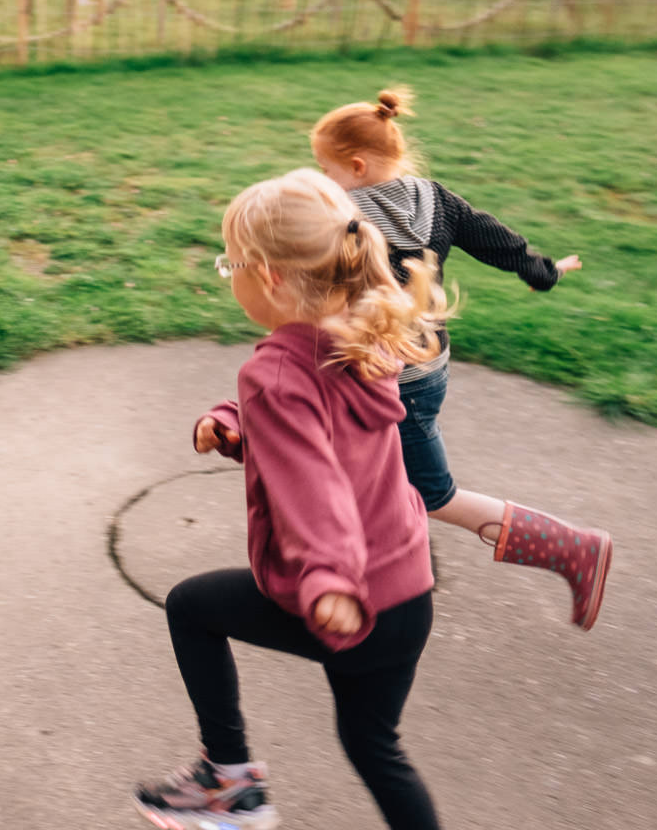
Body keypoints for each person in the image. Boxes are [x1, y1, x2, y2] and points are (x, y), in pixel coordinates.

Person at [135, 169, 446, 830]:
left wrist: (329, 577)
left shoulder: (274, 373)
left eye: (231, 265)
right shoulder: (364, 334)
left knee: (191, 608)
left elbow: (312, 479)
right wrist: (237, 419)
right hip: (407, 592)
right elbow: (320, 429)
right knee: (375, 748)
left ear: (270, 276)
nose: (229, 276)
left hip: (348, 602)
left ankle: (228, 785)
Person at [309, 88, 610, 630]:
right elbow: (495, 239)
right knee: (365, 466)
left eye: (325, 168)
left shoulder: (343, 215)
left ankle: (573, 549)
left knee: (432, 492)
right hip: (426, 366)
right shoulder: (434, 199)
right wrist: (542, 270)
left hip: (386, 373)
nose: (322, 178)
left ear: (355, 166)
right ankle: (393, 566)